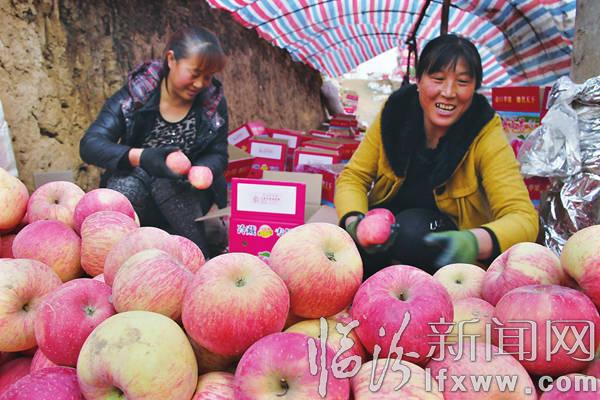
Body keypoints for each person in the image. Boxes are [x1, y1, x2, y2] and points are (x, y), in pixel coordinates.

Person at [334, 34, 539, 278]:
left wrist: (473, 241)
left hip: (441, 244)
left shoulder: (483, 130)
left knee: (412, 231)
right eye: (438, 79)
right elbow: (353, 178)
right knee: (350, 245)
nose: (449, 92)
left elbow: (523, 216)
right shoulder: (395, 114)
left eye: (462, 82)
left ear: (475, 88)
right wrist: (355, 223)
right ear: (419, 80)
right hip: (384, 232)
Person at [80, 26, 228, 258]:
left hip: (187, 198)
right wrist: (142, 157)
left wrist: (205, 168)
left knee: (166, 181)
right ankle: (112, 255)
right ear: (171, 59)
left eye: (207, 77)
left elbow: (218, 153)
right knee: (125, 186)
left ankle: (197, 255)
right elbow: (91, 144)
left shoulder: (213, 103)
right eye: (195, 73)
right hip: (138, 194)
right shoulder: (136, 96)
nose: (200, 84)